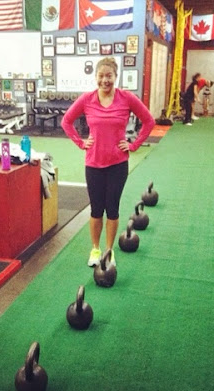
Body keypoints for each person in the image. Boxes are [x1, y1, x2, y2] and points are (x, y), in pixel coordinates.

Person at [61, 57, 155, 268]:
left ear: (115, 76)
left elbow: (149, 121)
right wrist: (80, 142)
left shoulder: (126, 98)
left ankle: (109, 251)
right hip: (93, 164)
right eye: (101, 76)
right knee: (96, 209)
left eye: (109, 76)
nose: (105, 80)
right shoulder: (87, 99)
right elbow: (66, 121)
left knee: (112, 209)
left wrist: (133, 145)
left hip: (117, 164)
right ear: (96, 77)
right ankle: (95, 249)